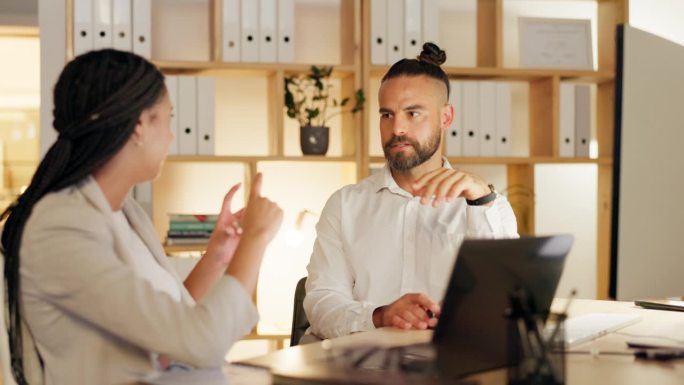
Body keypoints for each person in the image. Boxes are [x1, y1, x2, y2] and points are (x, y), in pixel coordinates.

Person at [0, 49, 283, 384]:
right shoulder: (61, 227)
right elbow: (201, 341)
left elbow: (172, 321)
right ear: (139, 126)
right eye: (167, 119)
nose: (171, 136)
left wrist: (219, 255)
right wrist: (256, 238)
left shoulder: (125, 213)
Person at [303, 43, 518, 339]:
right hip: (362, 369)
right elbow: (321, 302)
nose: (397, 128)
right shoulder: (344, 205)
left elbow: (507, 303)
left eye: (413, 113)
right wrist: (379, 316)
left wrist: (481, 201)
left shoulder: (490, 207)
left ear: (446, 117)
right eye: (387, 115)